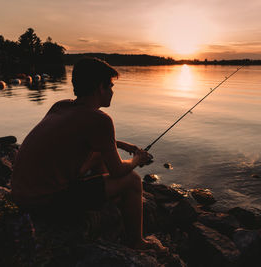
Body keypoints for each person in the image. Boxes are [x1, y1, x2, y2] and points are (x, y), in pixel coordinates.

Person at [11, 57, 157, 250]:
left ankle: (109, 201)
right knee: (132, 181)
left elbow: (80, 138)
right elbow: (118, 170)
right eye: (111, 86)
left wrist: (121, 144)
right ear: (100, 88)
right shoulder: (100, 119)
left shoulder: (62, 106)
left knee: (98, 154)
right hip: (45, 204)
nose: (113, 91)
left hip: (21, 195)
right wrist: (137, 159)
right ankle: (136, 242)